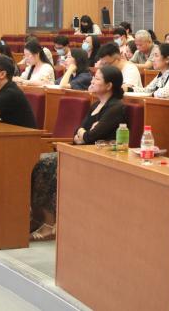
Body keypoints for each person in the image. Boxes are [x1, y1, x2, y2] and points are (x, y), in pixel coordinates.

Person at [30, 66, 127, 242]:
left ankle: (50, 224)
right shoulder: (96, 105)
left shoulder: (116, 107)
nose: (92, 81)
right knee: (42, 163)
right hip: (81, 151)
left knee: (49, 165)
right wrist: (84, 133)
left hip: (99, 156)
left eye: (97, 79)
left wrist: (85, 134)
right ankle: (41, 218)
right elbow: (78, 129)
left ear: (109, 85)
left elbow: (91, 136)